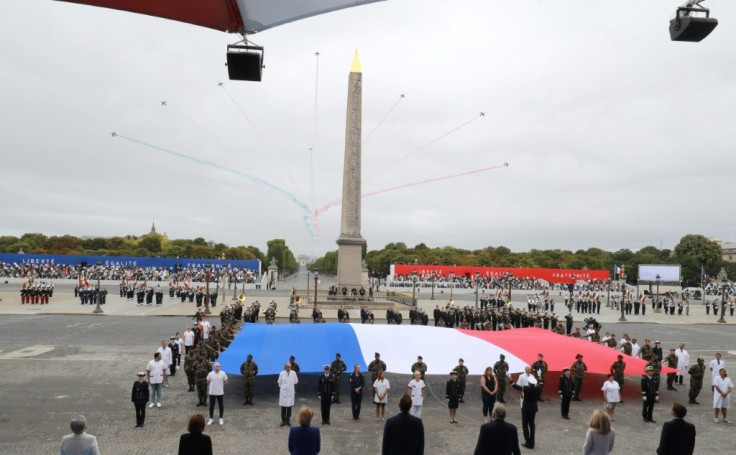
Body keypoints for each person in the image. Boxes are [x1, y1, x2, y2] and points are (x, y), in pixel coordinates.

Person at [512, 366, 540, 449]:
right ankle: (532, 442)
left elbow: (516, 386)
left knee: (525, 424)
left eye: (530, 369)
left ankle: (528, 441)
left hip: (526, 403)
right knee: (532, 425)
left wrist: (510, 379)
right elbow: (540, 384)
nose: (529, 370)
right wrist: (540, 376)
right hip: (533, 406)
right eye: (528, 369)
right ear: (525, 370)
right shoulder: (522, 376)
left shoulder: (530, 379)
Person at [278, 362, 299, 427]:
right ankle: (283, 421)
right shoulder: (281, 373)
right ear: (285, 367)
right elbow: (279, 383)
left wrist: (292, 390)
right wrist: (284, 388)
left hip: (290, 393)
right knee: (283, 407)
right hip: (283, 393)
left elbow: (296, 382)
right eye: (287, 367)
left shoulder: (293, 373)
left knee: (289, 407)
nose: (288, 368)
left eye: (289, 367)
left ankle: (288, 420)